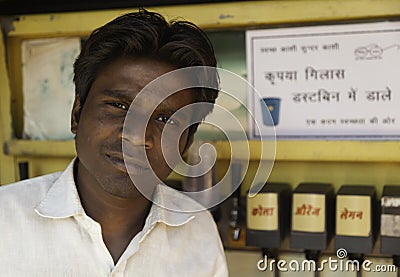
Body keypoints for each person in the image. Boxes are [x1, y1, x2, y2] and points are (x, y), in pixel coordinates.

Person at [0, 9, 228, 276]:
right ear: (77, 114)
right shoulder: (6, 220)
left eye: (166, 119)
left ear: (187, 143)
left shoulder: (198, 230)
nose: (136, 136)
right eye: (119, 105)